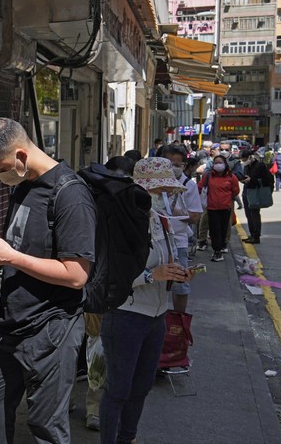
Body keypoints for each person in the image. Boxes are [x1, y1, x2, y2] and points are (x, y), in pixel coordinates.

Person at [0, 118, 96, 444]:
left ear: (22, 156)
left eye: (0, 169)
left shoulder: (70, 195)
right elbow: (24, 244)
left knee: (46, 427)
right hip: (10, 324)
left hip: (51, 329)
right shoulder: (23, 184)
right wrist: (0, 242)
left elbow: (77, 275)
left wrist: (10, 257)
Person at [100, 157, 192, 444]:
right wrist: (152, 276)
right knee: (118, 388)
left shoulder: (162, 222)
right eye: (158, 191)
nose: (164, 198)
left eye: (168, 191)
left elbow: (165, 261)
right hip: (126, 315)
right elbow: (109, 277)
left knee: (141, 386)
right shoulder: (122, 223)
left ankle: (128, 437)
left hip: (156, 316)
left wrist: (177, 273)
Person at [160, 145, 203, 313]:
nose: (175, 167)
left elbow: (195, 216)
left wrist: (176, 213)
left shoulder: (188, 185)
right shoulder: (153, 181)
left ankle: (178, 324)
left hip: (178, 241)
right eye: (171, 163)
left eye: (179, 164)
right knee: (155, 281)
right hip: (155, 239)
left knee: (179, 284)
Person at [198, 155, 240, 262]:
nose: (218, 165)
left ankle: (221, 246)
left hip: (225, 207)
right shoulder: (208, 176)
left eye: (220, 162)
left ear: (225, 164)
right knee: (214, 230)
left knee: (223, 229)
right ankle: (217, 251)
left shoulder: (231, 177)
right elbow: (200, 187)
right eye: (216, 162)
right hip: (212, 207)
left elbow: (235, 191)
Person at [240, 149, 274, 244]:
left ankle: (256, 236)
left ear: (251, 157)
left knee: (254, 214)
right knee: (248, 214)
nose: (243, 161)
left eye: (245, 159)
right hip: (247, 191)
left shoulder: (260, 166)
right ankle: (251, 235)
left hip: (255, 192)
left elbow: (268, 179)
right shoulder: (247, 166)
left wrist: (252, 180)